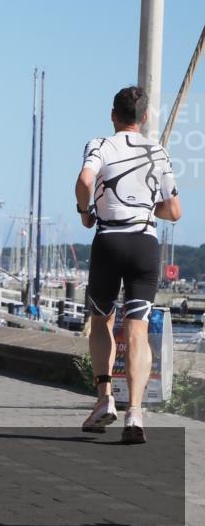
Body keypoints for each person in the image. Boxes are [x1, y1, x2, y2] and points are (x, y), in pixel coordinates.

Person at [75, 86, 181, 444]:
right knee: (137, 328)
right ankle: (135, 411)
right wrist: (146, 208)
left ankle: (105, 398)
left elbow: (85, 181)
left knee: (101, 320)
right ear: (145, 117)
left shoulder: (100, 145)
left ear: (112, 115)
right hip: (144, 245)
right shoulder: (159, 152)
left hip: (109, 241)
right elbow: (175, 211)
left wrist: (85, 212)